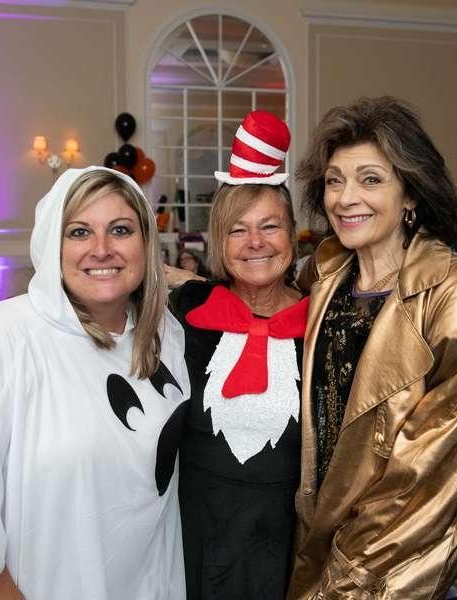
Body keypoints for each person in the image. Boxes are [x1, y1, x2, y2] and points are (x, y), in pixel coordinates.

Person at [0, 167, 190, 599]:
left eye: (120, 230)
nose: (101, 249)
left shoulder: (166, 336)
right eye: (79, 232)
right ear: (51, 243)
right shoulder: (1, 337)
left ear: (146, 243)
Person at [289, 97, 457, 599]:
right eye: (335, 180)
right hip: (315, 540)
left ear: (411, 193)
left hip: (400, 563)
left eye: (370, 179)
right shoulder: (323, 272)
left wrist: (345, 578)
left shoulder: (455, 297)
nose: (346, 198)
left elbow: (428, 473)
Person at [171, 110, 308, 600]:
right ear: (219, 241)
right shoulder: (186, 311)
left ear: (293, 235)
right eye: (237, 230)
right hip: (195, 524)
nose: (255, 243)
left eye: (270, 226)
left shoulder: (325, 327)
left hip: (287, 533)